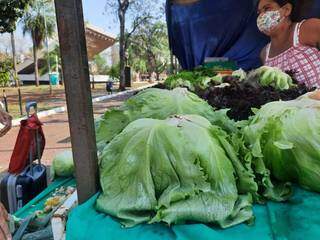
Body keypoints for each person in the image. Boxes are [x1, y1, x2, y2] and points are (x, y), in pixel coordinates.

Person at [257, 0, 320, 88]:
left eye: (267, 8)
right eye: (259, 12)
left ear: (287, 10)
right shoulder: (264, 54)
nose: (261, 16)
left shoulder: (309, 28)